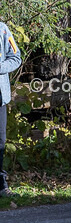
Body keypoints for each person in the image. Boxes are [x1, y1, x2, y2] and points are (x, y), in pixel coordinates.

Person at [0, 21, 22, 198]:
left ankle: (1, 184)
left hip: (0, 98)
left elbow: (16, 57)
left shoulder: (2, 29)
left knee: (0, 142)